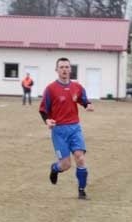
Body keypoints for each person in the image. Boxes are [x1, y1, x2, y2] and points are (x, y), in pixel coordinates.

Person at [40, 57, 94, 200]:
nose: (64, 69)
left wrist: (88, 105)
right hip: (59, 131)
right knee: (65, 165)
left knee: (80, 158)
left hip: (75, 128)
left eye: (67, 67)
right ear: (57, 70)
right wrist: (47, 120)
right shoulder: (50, 89)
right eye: (61, 67)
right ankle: (54, 169)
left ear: (71, 69)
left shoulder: (77, 87)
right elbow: (43, 109)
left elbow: (83, 100)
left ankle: (82, 191)